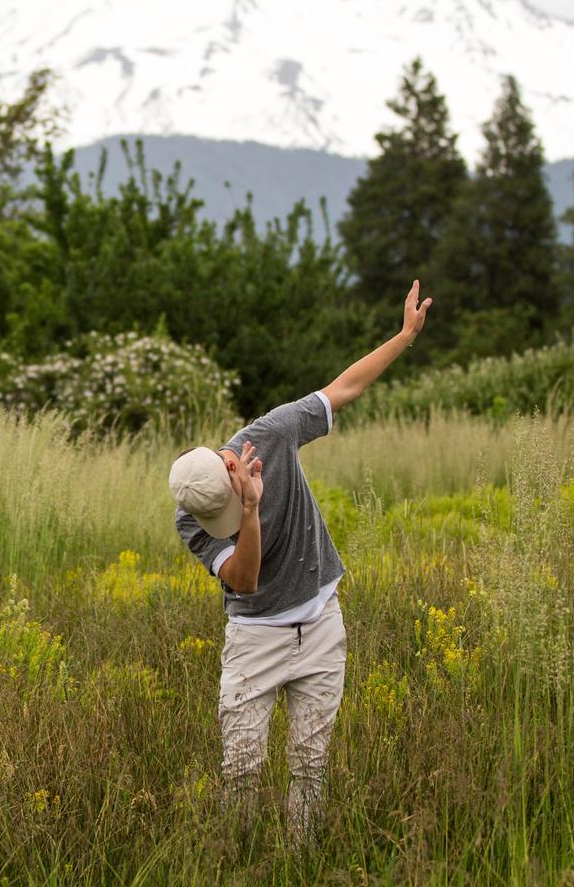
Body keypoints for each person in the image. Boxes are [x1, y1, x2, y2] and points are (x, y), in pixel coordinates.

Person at [168, 279, 433, 838]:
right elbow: (244, 579)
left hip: (319, 623)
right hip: (254, 638)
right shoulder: (191, 516)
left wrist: (405, 335)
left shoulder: (272, 432)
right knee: (240, 772)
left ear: (230, 460)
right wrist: (248, 513)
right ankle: (237, 862)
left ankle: (301, 859)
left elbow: (343, 389)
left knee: (310, 770)